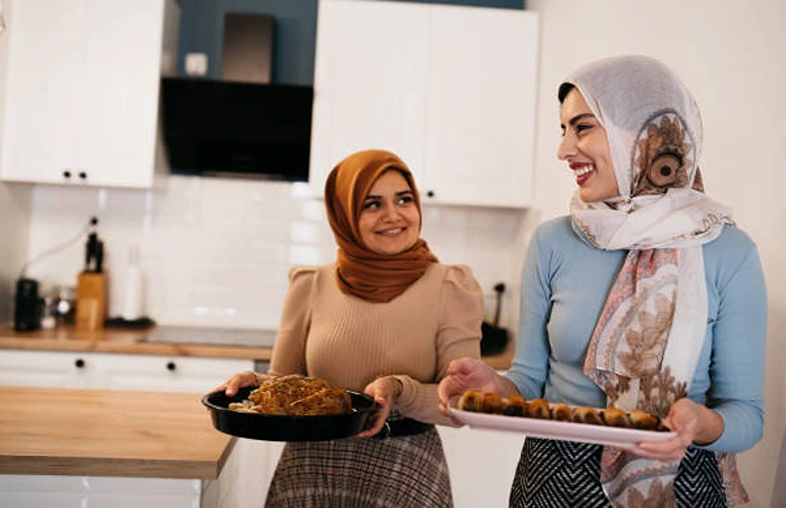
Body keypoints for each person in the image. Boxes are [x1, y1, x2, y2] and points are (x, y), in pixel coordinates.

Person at [438, 55, 767, 507]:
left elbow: (746, 415)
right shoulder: (552, 241)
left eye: (583, 127)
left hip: (678, 481)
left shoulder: (728, 252)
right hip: (552, 481)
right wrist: (494, 387)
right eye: (563, 130)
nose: (564, 149)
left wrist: (697, 422)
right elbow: (529, 380)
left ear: (645, 133)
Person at [220, 149, 483, 507]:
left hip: (403, 468)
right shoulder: (309, 283)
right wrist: (253, 386)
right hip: (310, 467)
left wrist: (400, 390)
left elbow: (464, 403)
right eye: (371, 204)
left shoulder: (452, 286)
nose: (393, 215)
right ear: (344, 215)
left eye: (404, 199)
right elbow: (283, 384)